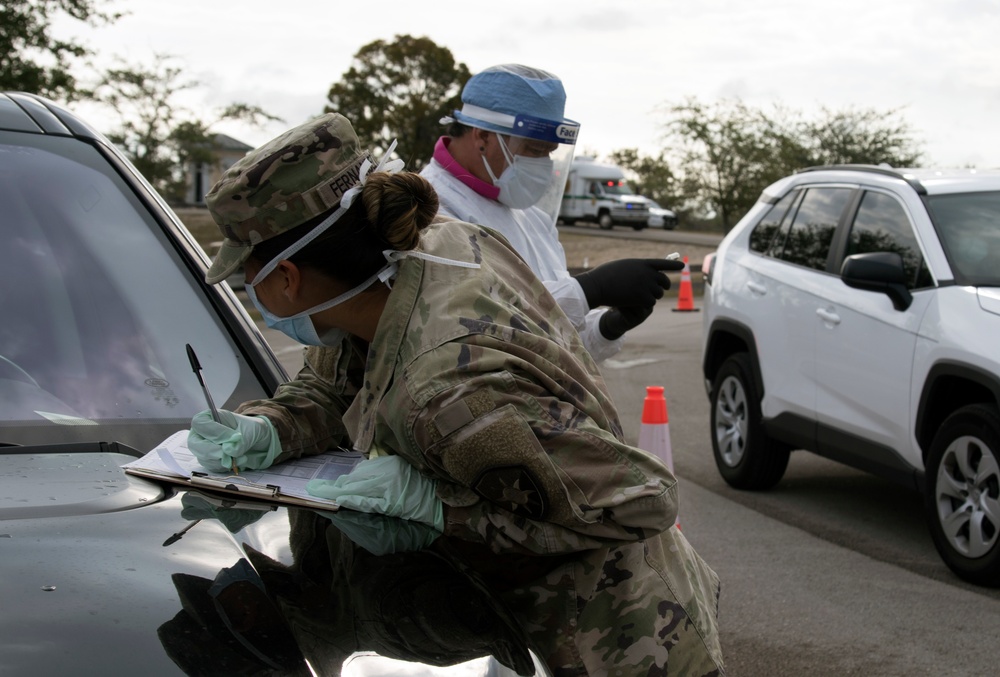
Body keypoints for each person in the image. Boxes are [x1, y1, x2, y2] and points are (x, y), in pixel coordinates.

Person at [187, 112, 724, 674]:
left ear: (288, 278)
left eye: (250, 275)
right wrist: (271, 426)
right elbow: (334, 384)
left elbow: (643, 499)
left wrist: (439, 509)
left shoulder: (450, 393)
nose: (253, 290)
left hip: (614, 644)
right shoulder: (402, 265)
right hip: (501, 630)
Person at [420, 63, 683, 362]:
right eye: (534, 150)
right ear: (482, 137)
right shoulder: (429, 207)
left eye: (549, 152)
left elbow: (559, 345)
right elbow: (478, 329)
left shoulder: (531, 216)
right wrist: (588, 290)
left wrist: (607, 327)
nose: (543, 164)